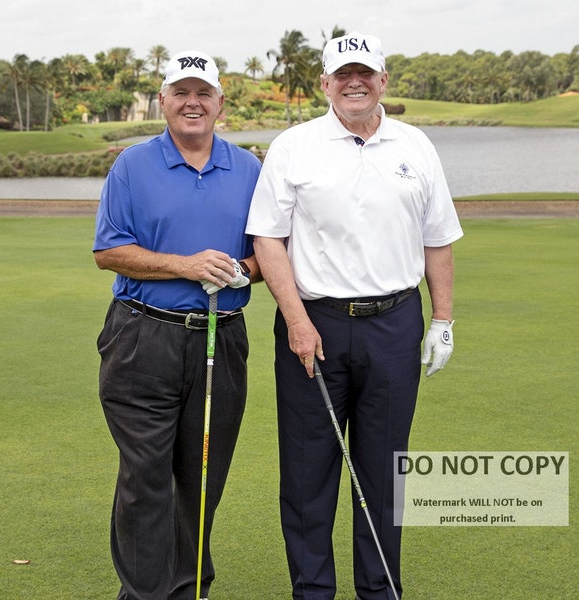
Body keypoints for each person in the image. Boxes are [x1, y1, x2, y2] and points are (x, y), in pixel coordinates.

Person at [245, 31, 463, 600]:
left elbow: (438, 240)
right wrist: (295, 320)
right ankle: (313, 592)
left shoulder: (416, 147)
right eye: (343, 74)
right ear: (325, 83)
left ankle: (380, 590)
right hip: (310, 326)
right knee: (307, 474)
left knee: (384, 474)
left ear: (383, 80)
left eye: (365, 72)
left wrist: (442, 320)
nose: (354, 82)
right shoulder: (294, 146)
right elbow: (268, 239)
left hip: (394, 325)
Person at [93, 50, 261, 600]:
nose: (193, 102)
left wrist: (241, 270)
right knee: (145, 479)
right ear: (163, 101)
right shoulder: (132, 165)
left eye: (204, 93)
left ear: (220, 103)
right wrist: (185, 265)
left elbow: (269, 257)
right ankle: (144, 594)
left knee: (201, 478)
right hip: (142, 338)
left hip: (220, 338)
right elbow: (109, 251)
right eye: (181, 92)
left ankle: (190, 589)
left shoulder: (250, 169)